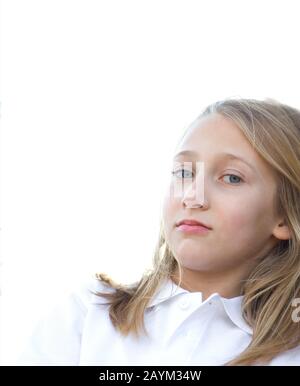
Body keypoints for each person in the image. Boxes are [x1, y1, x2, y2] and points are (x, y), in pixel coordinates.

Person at [18, 97, 300, 365]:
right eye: (184, 172)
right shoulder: (89, 312)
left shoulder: (290, 353)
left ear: (285, 219)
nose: (192, 196)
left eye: (231, 178)